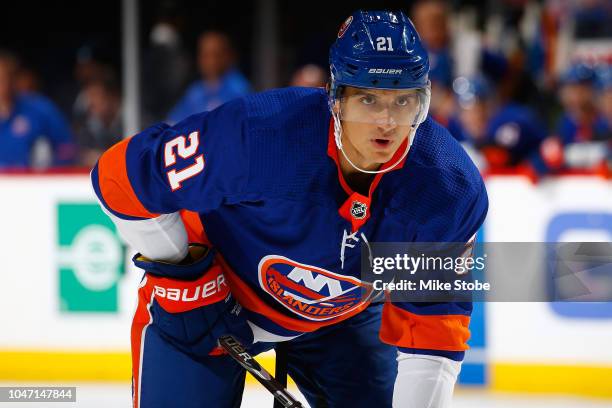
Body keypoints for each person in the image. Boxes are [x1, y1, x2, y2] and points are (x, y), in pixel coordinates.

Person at [92, 10, 488, 408]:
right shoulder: (258, 135)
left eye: (403, 100)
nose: (386, 122)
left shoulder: (447, 188)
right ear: (335, 96)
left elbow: (433, 332)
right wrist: (183, 271)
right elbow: (119, 176)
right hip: (212, 300)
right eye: (368, 98)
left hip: (343, 316)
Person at [0, 51, 76, 169]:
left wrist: (49, 169)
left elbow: (67, 148)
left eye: (5, 77)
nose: (3, 83)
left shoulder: (40, 108)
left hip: (34, 183)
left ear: (14, 78)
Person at [167, 31, 252, 123]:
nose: (211, 61)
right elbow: (173, 121)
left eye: (216, 54)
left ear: (228, 56)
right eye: (205, 55)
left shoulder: (238, 88)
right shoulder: (196, 91)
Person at [72, 76, 123, 167]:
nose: (91, 102)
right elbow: (82, 156)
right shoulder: (86, 126)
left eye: (96, 96)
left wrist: (104, 157)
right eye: (89, 96)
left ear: (111, 97)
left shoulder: (134, 121)